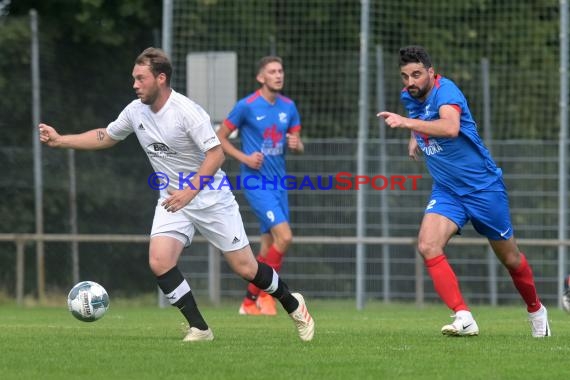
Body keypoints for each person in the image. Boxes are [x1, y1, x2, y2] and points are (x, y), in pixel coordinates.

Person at [38, 47, 314, 342]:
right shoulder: (135, 111)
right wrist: (61, 140)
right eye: (133, 78)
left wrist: (189, 191)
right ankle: (200, 328)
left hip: (210, 197)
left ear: (160, 78)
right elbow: (106, 135)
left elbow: (216, 154)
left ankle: (294, 304)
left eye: (140, 78)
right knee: (159, 261)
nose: (134, 85)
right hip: (173, 199)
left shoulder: (186, 111)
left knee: (245, 267)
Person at [378, 45, 550, 338]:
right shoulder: (410, 96)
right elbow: (420, 116)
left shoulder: (447, 92)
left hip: (483, 189)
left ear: (432, 73)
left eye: (417, 74)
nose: (410, 82)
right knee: (427, 245)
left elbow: (449, 127)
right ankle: (463, 315)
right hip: (448, 191)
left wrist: (407, 123)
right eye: (405, 76)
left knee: (510, 259)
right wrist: (414, 135)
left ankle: (536, 310)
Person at [217, 56, 304, 316]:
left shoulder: (289, 107)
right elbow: (219, 137)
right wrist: (244, 158)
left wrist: (296, 145)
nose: (278, 75)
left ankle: (248, 303)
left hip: (279, 184)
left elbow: (298, 143)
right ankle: (268, 296)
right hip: (255, 182)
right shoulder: (247, 106)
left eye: (280, 71)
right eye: (272, 72)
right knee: (285, 237)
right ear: (261, 77)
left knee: (269, 246)